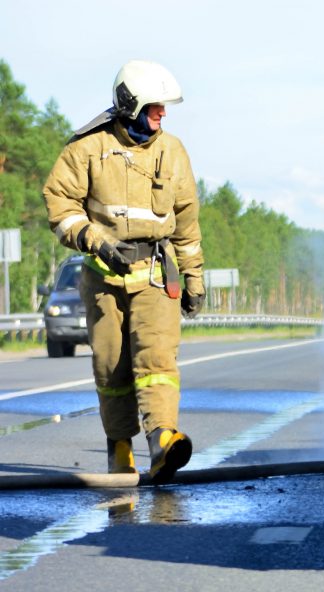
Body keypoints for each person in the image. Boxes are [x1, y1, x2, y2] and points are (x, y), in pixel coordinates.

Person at [43, 60, 205, 483]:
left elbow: (187, 222)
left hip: (155, 273)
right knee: (111, 366)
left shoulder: (173, 152)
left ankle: (163, 441)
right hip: (103, 278)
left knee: (156, 359)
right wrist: (95, 241)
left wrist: (194, 277)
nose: (163, 115)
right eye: (155, 107)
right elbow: (59, 206)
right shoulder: (86, 149)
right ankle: (120, 449)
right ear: (130, 104)